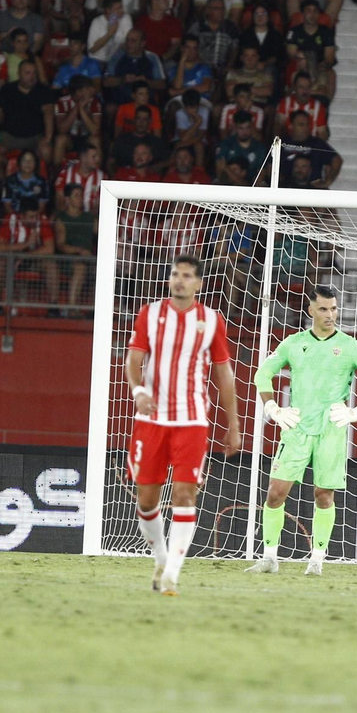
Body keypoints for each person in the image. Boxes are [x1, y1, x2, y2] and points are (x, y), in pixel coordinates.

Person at [249, 285, 357, 576]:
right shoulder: (293, 343)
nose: (330, 314)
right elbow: (263, 374)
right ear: (311, 310)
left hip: (331, 429)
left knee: (323, 495)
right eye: (324, 309)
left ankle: (316, 559)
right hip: (297, 427)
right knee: (276, 493)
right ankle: (269, 558)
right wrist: (273, 408)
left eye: (334, 308)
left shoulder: (349, 345)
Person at [123, 255, 242, 595]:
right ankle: (160, 557)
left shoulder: (211, 321)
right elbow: (133, 360)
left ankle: (173, 572)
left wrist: (233, 424)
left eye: (187, 276)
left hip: (191, 420)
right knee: (147, 499)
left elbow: (224, 374)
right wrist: (139, 390)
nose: (179, 280)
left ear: (199, 284)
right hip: (151, 419)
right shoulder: (151, 313)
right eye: (175, 274)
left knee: (185, 493)